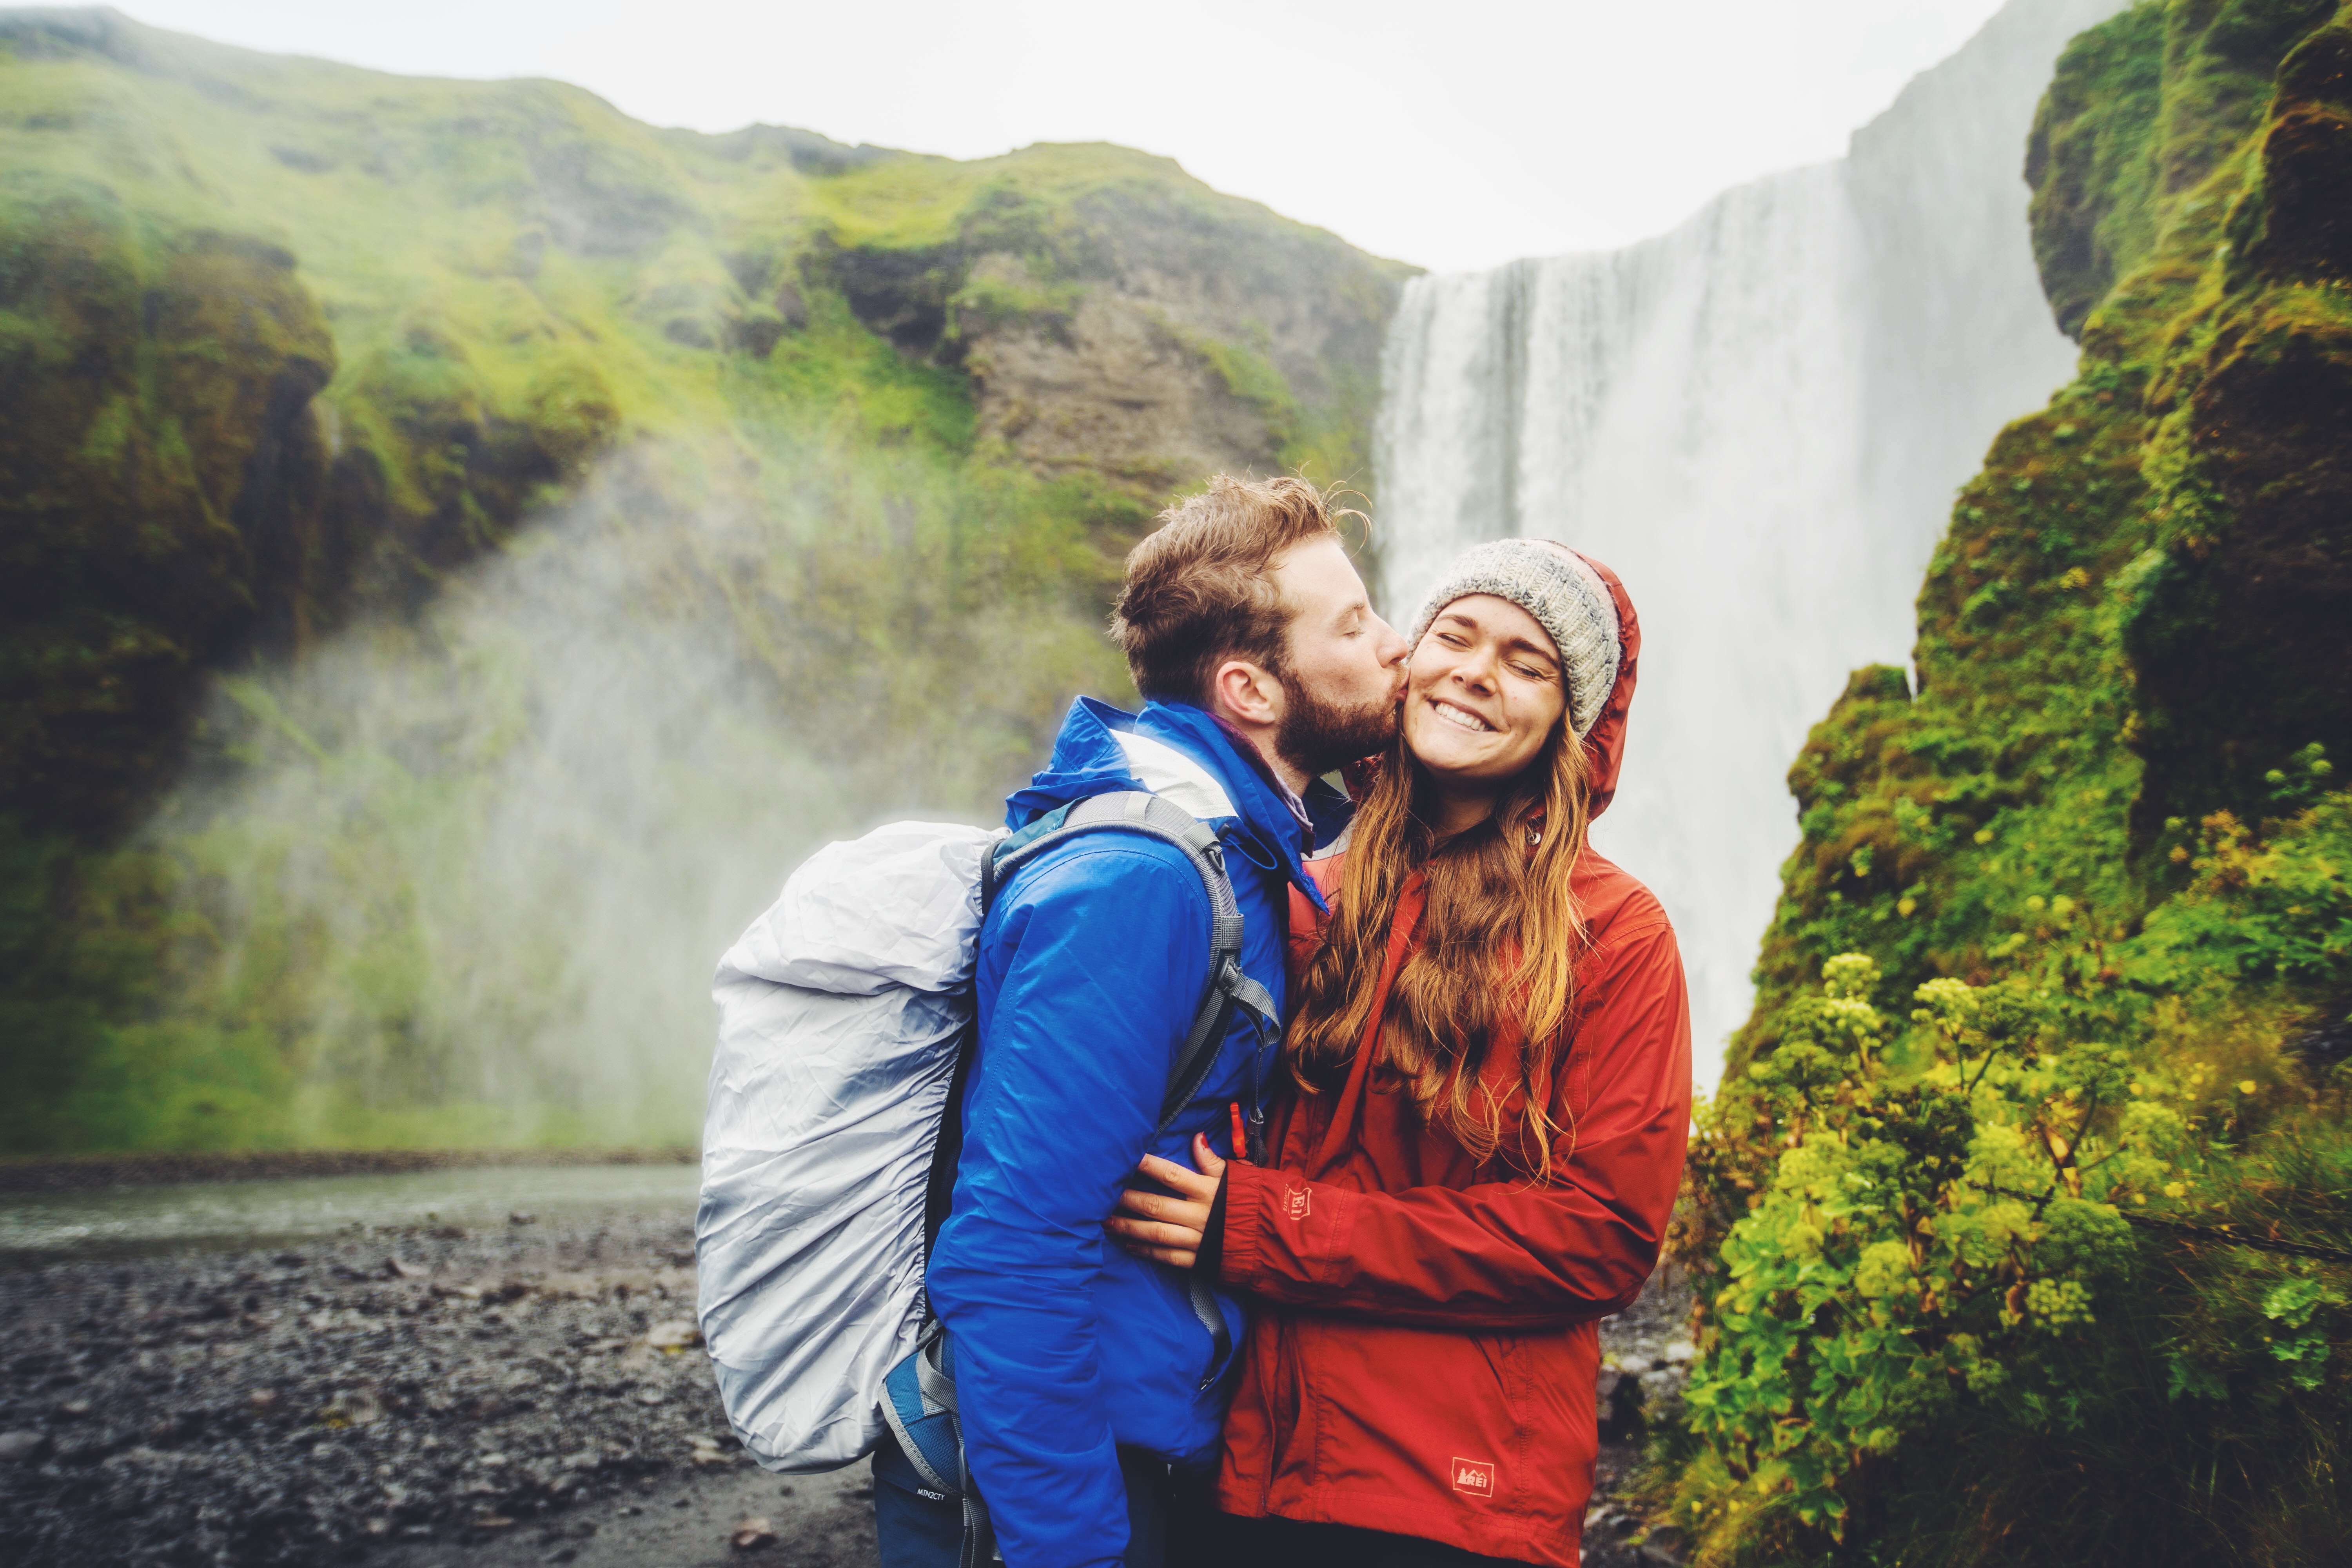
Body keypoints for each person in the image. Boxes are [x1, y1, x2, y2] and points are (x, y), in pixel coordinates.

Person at [1108, 537, 1692, 1568]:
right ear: (1409, 659)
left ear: (1572, 721)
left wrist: (1266, 1226)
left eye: (1527, 662)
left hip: (1460, 1498)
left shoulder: (1616, 933)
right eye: (1455, 635)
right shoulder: (1307, 893)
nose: (1476, 669)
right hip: (1253, 1466)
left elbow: (1599, 1235)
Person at [887, 475, 1411, 1568]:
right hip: (1093, 1475)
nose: (1396, 646)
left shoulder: (1246, 852)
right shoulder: (1139, 884)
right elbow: (1012, 1257)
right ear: (1250, 691)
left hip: (1156, 1450)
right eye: (1355, 624)